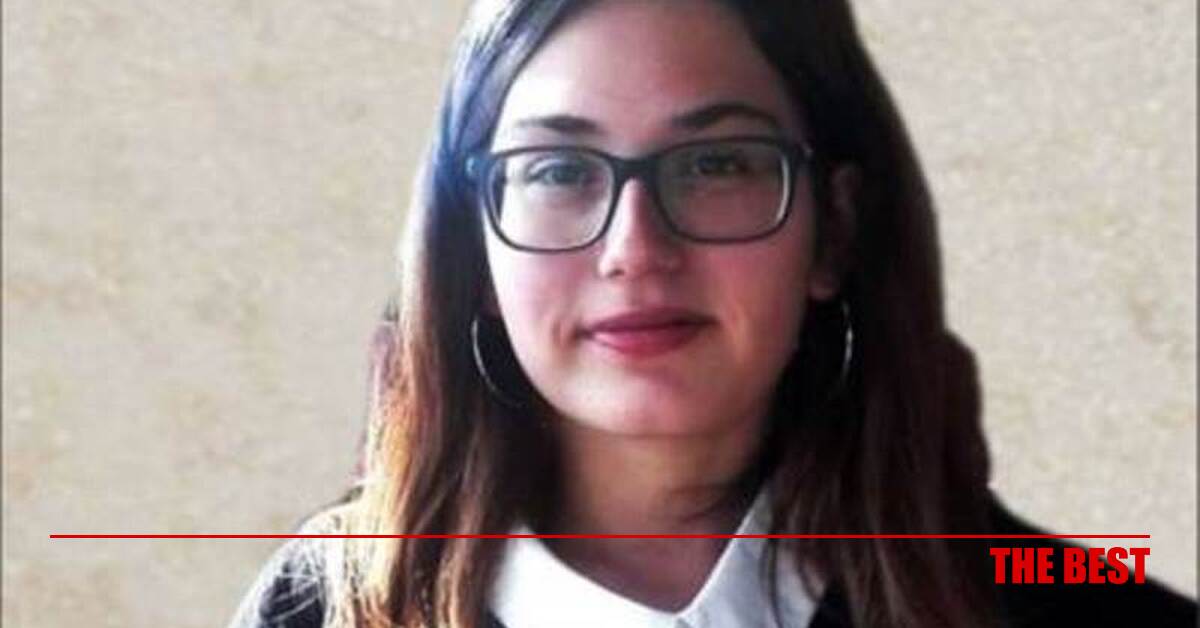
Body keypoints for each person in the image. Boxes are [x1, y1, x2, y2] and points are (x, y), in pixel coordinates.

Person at [229, 1, 1196, 626]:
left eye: (719, 163)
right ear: (472, 251)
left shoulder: (1071, 610)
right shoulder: (320, 607)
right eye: (557, 170)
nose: (635, 247)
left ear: (834, 233)